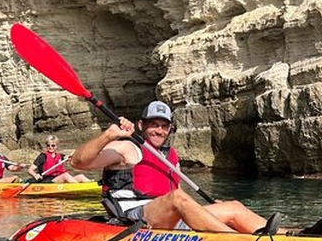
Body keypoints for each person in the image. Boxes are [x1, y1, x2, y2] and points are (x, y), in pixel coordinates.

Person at [70, 100, 269, 233]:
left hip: (169, 214)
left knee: (233, 207)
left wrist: (204, 211)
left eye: (164, 126)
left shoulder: (170, 155)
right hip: (134, 217)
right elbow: (77, 163)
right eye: (154, 125)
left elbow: (180, 196)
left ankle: (282, 236)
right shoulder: (126, 148)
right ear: (141, 125)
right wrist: (109, 135)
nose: (160, 131)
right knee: (177, 198)